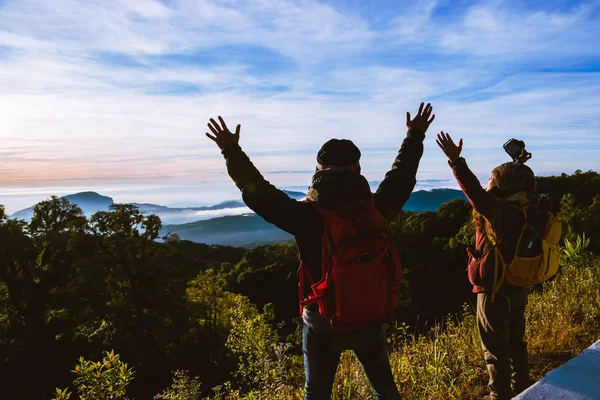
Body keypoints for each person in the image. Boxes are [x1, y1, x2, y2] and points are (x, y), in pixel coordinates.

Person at [205, 102, 435, 400]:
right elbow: (402, 175)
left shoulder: (307, 217)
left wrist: (231, 151)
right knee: (385, 390)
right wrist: (415, 135)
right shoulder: (377, 210)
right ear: (355, 168)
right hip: (370, 313)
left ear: (318, 170)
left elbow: (259, 193)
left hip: (321, 322)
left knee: (317, 393)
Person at [436, 131, 536, 400]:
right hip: (517, 285)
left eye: (493, 177)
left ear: (502, 184)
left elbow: (474, 192)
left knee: (495, 349)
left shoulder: (498, 210)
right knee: (517, 341)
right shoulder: (526, 206)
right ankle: (524, 388)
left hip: (493, 291)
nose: (488, 180)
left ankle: (499, 395)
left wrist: (456, 162)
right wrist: (520, 165)